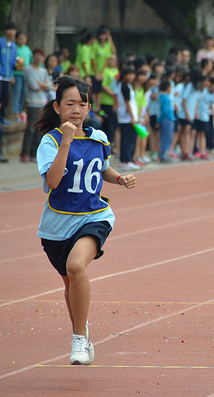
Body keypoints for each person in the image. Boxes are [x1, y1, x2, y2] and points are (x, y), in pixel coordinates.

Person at [34, 76, 135, 366]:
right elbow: (53, 181)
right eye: (70, 104)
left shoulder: (99, 137)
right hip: (57, 226)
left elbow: (101, 167)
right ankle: (84, 331)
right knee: (70, 280)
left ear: (89, 107)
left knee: (76, 266)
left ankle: (78, 339)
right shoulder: (50, 142)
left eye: (82, 103)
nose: (76, 109)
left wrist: (119, 178)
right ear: (57, 107)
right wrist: (66, 140)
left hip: (94, 215)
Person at [22, 48, 53, 162]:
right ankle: (24, 153)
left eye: (41, 56)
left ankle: (34, 153)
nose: (38, 58)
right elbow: (32, 86)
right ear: (33, 56)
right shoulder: (28, 69)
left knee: (40, 130)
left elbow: (50, 86)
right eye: (36, 55)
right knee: (30, 129)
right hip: (32, 103)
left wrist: (42, 85)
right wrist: (43, 85)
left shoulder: (44, 71)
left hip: (42, 103)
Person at [116, 66, 140, 170]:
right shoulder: (124, 86)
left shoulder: (127, 85)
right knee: (127, 139)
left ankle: (128, 159)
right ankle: (126, 160)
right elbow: (127, 102)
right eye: (128, 74)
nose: (131, 76)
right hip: (127, 117)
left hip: (129, 117)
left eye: (132, 74)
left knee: (131, 138)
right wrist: (132, 117)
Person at [91, 25, 117, 111]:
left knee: (99, 90)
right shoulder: (95, 45)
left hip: (101, 72)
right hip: (94, 72)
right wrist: (97, 73)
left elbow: (109, 57)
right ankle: (93, 105)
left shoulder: (107, 45)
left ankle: (98, 106)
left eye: (104, 35)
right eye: (101, 35)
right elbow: (93, 60)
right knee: (93, 89)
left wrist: (101, 73)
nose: (102, 37)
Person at [12, 31, 32, 121]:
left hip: (26, 75)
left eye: (23, 39)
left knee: (23, 95)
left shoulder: (27, 49)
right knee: (17, 94)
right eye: (20, 39)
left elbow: (31, 59)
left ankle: (20, 113)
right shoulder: (14, 48)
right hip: (17, 74)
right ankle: (15, 114)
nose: (21, 41)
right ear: (16, 39)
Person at [157, 79, 175, 162]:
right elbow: (165, 110)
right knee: (167, 137)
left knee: (166, 137)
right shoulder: (165, 97)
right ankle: (164, 155)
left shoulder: (162, 96)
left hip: (166, 118)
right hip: (167, 118)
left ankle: (164, 154)